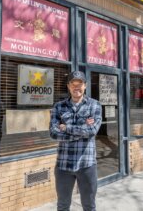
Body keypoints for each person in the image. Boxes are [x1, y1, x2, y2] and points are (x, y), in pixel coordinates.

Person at [50, 70, 102, 211]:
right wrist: (82, 129)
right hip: (63, 165)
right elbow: (53, 133)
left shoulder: (95, 105)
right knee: (62, 206)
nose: (76, 87)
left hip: (87, 165)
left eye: (80, 83)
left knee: (89, 206)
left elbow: (92, 131)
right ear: (68, 86)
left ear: (85, 85)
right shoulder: (58, 107)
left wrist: (66, 128)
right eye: (73, 83)